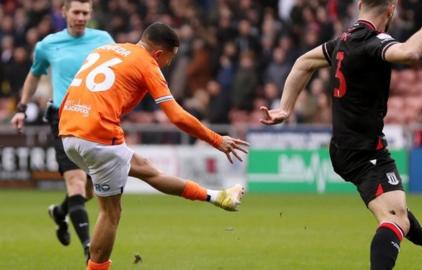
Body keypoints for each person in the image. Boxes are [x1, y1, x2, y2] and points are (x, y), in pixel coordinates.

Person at [260, 1, 422, 269]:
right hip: (364, 151)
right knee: (393, 219)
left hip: (348, 147)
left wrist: (285, 108)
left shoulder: (343, 41)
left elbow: (302, 63)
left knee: (396, 209)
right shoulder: (374, 42)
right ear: (392, 9)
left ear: (360, 4)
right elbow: (411, 53)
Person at [58, 22, 248, 270]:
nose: (168, 64)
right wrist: (216, 139)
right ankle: (95, 266)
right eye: (170, 58)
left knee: (146, 170)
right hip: (99, 136)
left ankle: (217, 196)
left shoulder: (105, 50)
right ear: (159, 53)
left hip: (68, 129)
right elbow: (177, 116)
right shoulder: (147, 63)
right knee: (111, 213)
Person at [10, 0, 114, 259]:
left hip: (95, 119)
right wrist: (22, 108)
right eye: (76, 12)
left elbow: (118, 72)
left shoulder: (103, 39)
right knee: (76, 182)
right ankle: (89, 248)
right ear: (64, 12)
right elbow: (34, 75)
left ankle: (60, 212)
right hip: (63, 117)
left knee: (90, 190)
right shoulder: (48, 45)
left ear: (91, 14)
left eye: (85, 13)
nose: (81, 17)